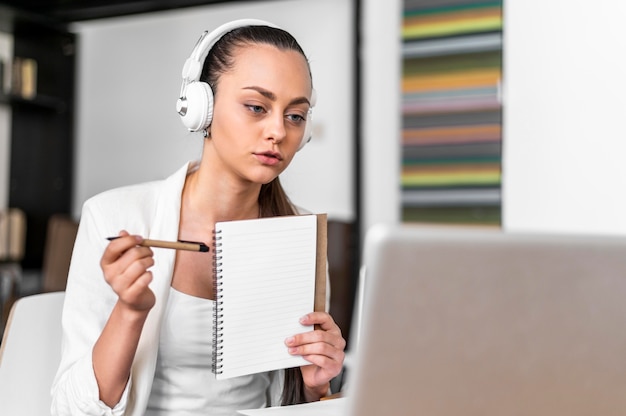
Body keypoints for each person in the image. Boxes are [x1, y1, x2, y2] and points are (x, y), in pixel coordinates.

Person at [51, 19, 346, 416]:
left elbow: (293, 401)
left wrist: (316, 385)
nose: (277, 130)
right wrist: (131, 311)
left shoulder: (301, 236)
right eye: (256, 107)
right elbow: (71, 410)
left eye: (295, 115)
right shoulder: (113, 217)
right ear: (199, 108)